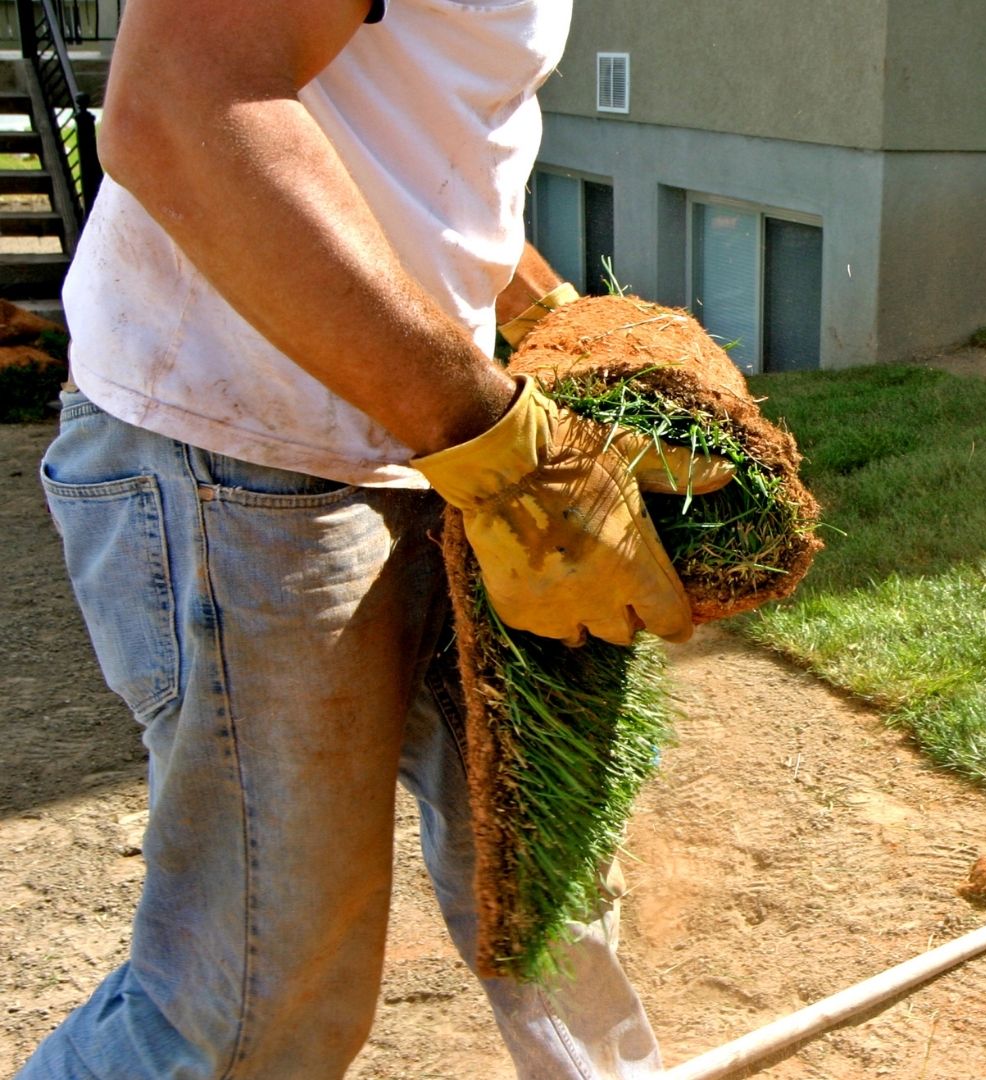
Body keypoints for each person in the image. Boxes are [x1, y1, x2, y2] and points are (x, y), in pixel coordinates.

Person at [16, 0, 709, 1075]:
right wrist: (499, 445)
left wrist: (550, 311)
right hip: (243, 444)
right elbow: (181, 109)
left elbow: (401, 137)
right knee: (255, 1004)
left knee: (546, 858)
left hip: (427, 427)